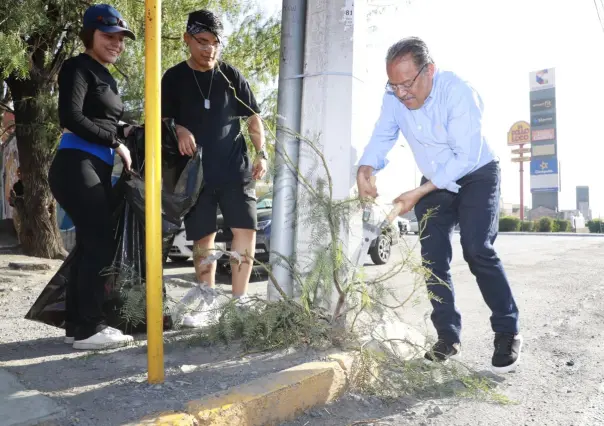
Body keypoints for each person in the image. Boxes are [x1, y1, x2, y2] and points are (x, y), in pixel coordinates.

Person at [357, 37, 522, 373]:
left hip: (475, 172)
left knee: (477, 248)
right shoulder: (393, 97)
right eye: (394, 85)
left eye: (408, 83)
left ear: (429, 70)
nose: (401, 93)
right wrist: (366, 166)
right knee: (432, 257)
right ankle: (447, 336)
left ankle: (507, 331)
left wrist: (416, 193)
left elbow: (464, 157)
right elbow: (383, 134)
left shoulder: (459, 92)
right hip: (434, 179)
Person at [161, 10, 267, 328]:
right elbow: (161, 119)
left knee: (244, 231)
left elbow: (253, 118)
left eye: (215, 43)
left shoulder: (231, 76)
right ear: (187, 40)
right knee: (203, 238)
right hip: (196, 174)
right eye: (203, 42)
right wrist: (178, 129)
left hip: (235, 169)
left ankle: (239, 300)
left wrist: (262, 153)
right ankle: (206, 300)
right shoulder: (174, 78)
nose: (209, 49)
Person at [48, 4, 136, 350]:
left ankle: (76, 325)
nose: (116, 43)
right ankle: (90, 328)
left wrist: (128, 131)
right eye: (108, 36)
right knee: (99, 241)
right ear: (90, 35)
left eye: (120, 38)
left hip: (92, 165)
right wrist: (116, 142)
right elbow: (69, 116)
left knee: (89, 245)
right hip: (75, 164)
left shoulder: (107, 75)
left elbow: (105, 121)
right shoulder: (77, 67)